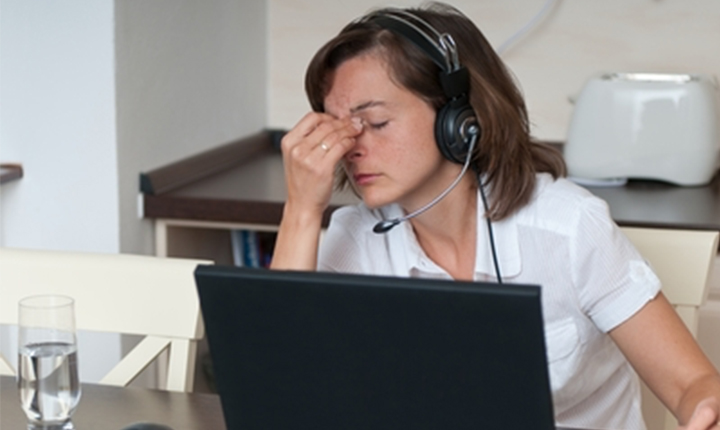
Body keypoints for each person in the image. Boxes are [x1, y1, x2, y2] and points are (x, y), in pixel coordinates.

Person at [270, 2, 720, 429]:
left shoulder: (569, 227)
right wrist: (302, 210)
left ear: (459, 120)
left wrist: (706, 410)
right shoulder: (354, 240)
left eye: (378, 122)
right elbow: (281, 394)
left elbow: (692, 384)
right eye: (337, 128)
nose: (353, 148)